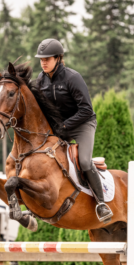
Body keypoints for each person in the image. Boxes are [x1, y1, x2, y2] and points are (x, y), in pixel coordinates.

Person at [35, 38, 113, 222]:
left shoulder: (72, 77)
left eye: (47, 59)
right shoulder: (40, 80)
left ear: (58, 58)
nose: (43, 62)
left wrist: (63, 126)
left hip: (82, 124)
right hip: (59, 128)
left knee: (85, 162)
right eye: (41, 59)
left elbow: (86, 109)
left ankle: (102, 204)